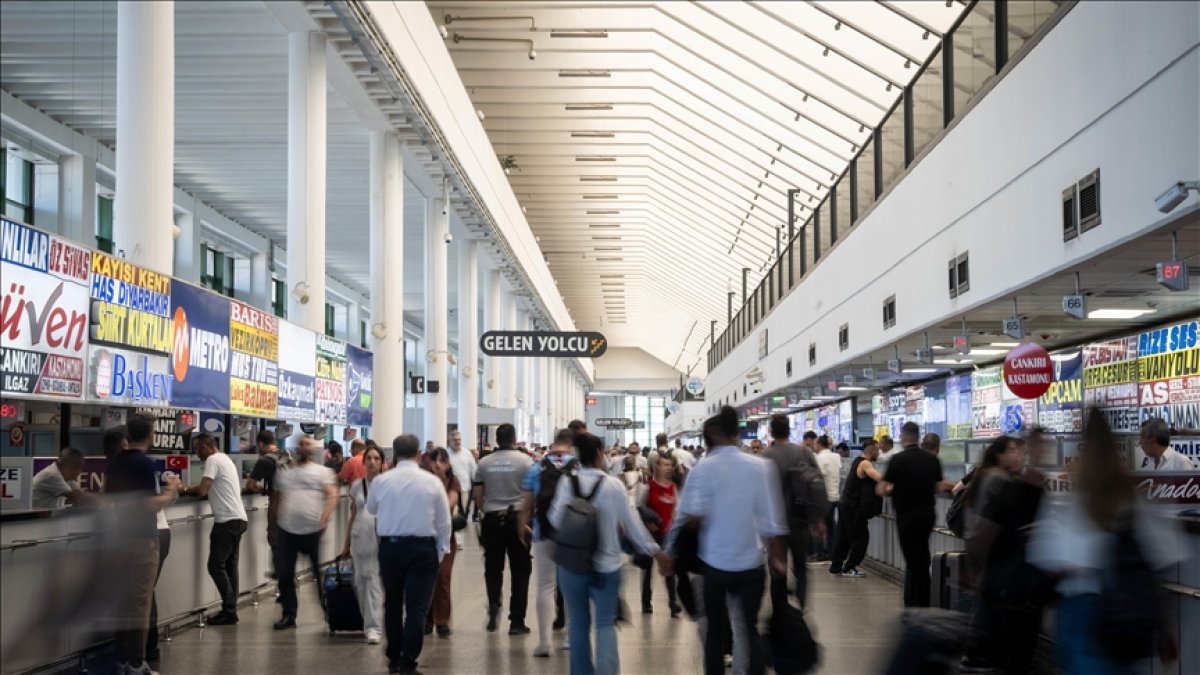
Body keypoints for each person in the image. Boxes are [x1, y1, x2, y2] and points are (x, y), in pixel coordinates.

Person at [1029, 410, 1183, 674]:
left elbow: (1048, 558)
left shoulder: (1070, 500)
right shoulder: (1137, 499)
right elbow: (1160, 562)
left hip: (1082, 613)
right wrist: (1166, 627)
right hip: (1129, 613)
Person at [676, 407, 788, 675]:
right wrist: (778, 560)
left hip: (714, 564)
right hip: (751, 564)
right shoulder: (761, 466)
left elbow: (689, 517)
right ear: (738, 433)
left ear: (711, 436)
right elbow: (772, 522)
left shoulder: (702, 469)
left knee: (715, 631)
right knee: (747, 628)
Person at [549, 432, 670, 675]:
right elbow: (634, 525)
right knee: (604, 625)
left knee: (579, 625)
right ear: (597, 454)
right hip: (607, 566)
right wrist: (656, 552)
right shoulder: (613, 485)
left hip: (572, 567)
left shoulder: (567, 483)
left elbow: (554, 518)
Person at [959, 435, 1048, 674]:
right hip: (991, 550)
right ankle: (980, 652)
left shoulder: (986, 474)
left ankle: (979, 651)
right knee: (988, 603)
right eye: (1013, 451)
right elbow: (992, 521)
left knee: (986, 601)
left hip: (983, 546)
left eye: (1022, 451)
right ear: (1000, 454)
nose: (1020, 455)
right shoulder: (998, 478)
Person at [367, 434, 451, 675]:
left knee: (392, 603)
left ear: (393, 454)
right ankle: (408, 661)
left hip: (391, 549)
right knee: (417, 608)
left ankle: (393, 657)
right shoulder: (432, 482)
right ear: (418, 454)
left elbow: (372, 508)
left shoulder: (381, 481)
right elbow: (444, 522)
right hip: (422, 550)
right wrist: (441, 552)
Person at [105, 414, 181, 675]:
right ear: (151, 435)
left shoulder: (114, 464)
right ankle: (137, 663)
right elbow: (149, 505)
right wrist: (171, 491)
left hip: (119, 537)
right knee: (140, 602)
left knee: (123, 598)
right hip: (142, 539)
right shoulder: (145, 464)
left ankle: (122, 658)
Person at [518, 428, 577, 657]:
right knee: (571, 586)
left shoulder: (537, 467)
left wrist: (522, 527)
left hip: (543, 531)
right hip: (572, 534)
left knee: (545, 585)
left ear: (553, 444)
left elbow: (526, 503)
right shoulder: (578, 467)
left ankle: (544, 643)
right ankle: (572, 637)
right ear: (570, 445)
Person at [876, 422, 949, 607]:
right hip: (927, 515)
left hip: (906, 516)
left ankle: (913, 603)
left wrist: (895, 488)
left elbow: (881, 489)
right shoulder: (932, 459)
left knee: (913, 560)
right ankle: (923, 600)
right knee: (921, 556)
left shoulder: (898, 459)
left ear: (903, 436)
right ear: (918, 437)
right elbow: (939, 487)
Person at [269, 435, 337, 629]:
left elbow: (332, 495)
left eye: (307, 444)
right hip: (286, 530)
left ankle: (329, 611)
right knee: (285, 575)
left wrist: (325, 517)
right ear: (296, 449)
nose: (303, 447)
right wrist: (271, 526)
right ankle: (289, 614)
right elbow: (276, 500)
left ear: (313, 449)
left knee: (318, 575)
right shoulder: (285, 473)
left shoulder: (322, 472)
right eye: (300, 444)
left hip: (312, 531)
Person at [181, 433, 248, 626]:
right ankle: (231, 610)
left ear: (204, 447)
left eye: (196, 449)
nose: (196, 454)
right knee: (229, 567)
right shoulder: (225, 458)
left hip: (227, 521)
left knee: (215, 566)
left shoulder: (212, 459)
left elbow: (203, 489)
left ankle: (229, 609)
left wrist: (183, 489)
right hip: (239, 519)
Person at [473, 423, 534, 634]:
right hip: (518, 519)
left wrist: (489, 509)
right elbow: (529, 496)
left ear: (497, 440)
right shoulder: (526, 462)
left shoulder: (483, 463)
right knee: (520, 570)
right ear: (514, 438)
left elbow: (478, 497)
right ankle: (516, 621)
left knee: (493, 568)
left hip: (492, 519)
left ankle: (493, 607)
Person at [761, 414, 822, 608]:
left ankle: (780, 612)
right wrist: (817, 519)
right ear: (789, 430)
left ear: (771, 431)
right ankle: (801, 609)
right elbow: (816, 485)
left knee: (777, 569)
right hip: (799, 519)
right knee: (801, 567)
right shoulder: (804, 453)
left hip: (774, 524)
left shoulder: (765, 456)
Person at [340, 443, 387, 645]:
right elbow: (354, 514)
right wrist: (346, 543)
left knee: (374, 582)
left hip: (380, 539)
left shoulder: (387, 485)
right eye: (369, 458)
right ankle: (367, 620)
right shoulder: (357, 485)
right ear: (364, 461)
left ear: (382, 462)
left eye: (377, 458)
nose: (372, 462)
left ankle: (373, 627)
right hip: (360, 537)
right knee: (360, 583)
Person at [420, 446, 462, 638]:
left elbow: (448, 505)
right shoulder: (422, 482)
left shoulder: (453, 482)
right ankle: (427, 620)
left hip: (445, 537)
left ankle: (442, 621)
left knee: (443, 577)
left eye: (442, 460)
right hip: (425, 536)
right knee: (426, 578)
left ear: (448, 464)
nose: (437, 464)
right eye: (434, 460)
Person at [829, 439, 883, 578]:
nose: (879, 453)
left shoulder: (856, 461)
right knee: (861, 538)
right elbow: (878, 477)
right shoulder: (865, 463)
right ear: (872, 451)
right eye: (877, 450)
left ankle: (836, 567)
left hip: (845, 503)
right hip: (852, 507)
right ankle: (849, 567)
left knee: (843, 536)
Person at [638, 453, 682, 617]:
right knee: (647, 570)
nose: (668, 468)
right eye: (664, 464)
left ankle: (673, 602)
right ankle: (646, 603)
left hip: (667, 534)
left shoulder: (674, 488)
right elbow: (640, 507)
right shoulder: (648, 487)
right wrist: (647, 522)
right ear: (656, 467)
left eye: (670, 465)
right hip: (650, 535)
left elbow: (677, 512)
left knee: (669, 570)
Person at [812, 435, 842, 561]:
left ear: (819, 444)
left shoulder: (818, 458)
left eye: (815, 444)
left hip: (823, 498)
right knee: (831, 526)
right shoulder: (836, 456)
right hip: (834, 496)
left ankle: (819, 553)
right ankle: (831, 552)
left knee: (818, 525)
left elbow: (817, 478)